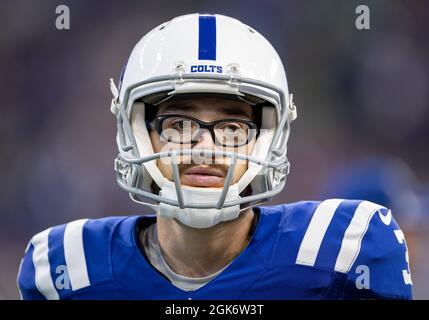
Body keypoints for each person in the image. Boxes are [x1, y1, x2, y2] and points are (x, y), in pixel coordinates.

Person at [17, 13, 412, 299]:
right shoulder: (66, 267)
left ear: (269, 138)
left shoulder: (342, 252)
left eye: (232, 129)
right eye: (179, 125)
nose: (205, 147)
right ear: (136, 133)